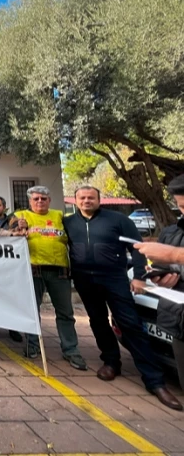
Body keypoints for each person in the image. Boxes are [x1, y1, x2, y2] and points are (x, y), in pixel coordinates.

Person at [65, 185, 181, 410]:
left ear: (99, 199)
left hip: (114, 279)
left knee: (131, 324)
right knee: (98, 322)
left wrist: (138, 277)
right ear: (76, 201)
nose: (86, 201)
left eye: (91, 197)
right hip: (84, 280)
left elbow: (138, 249)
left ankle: (154, 381)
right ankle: (111, 362)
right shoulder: (68, 222)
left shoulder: (118, 220)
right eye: (82, 198)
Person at [13, 186, 86, 370]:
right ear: (30, 201)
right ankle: (32, 345)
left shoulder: (59, 216)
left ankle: (71, 349)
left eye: (43, 198)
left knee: (65, 313)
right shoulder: (21, 215)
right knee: (32, 310)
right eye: (36, 199)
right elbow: (8, 230)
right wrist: (16, 229)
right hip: (33, 270)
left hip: (59, 270)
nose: (40, 201)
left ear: (49, 200)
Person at [145, 175, 184, 391]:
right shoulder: (171, 232)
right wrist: (158, 277)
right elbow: (161, 266)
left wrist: (174, 256)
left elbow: (173, 258)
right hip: (178, 322)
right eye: (181, 206)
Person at [0, 196, 24, 343]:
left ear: (4, 207)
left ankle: (13, 328)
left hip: (9, 267)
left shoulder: (12, 220)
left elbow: (19, 232)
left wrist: (21, 227)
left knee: (10, 298)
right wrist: (11, 233)